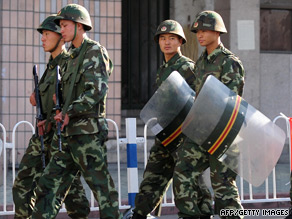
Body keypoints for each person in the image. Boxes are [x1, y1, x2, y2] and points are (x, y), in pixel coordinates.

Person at [30, 4, 122, 219]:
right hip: (68, 134)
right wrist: (53, 117)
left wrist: (70, 111)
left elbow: (96, 90)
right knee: (48, 185)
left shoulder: (94, 51)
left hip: (87, 134)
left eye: (64, 25)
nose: (61, 30)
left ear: (79, 26)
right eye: (60, 26)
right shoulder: (69, 58)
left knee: (102, 189)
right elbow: (62, 98)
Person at [128, 20, 213, 219]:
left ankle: (204, 212)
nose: (167, 42)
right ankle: (140, 213)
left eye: (172, 38)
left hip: (184, 135)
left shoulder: (187, 67)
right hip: (166, 133)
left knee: (190, 179)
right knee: (153, 175)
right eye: (163, 38)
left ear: (180, 42)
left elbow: (198, 98)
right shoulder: (163, 68)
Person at [12, 14, 90, 219]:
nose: (43, 39)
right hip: (42, 136)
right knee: (22, 186)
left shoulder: (68, 64)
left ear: (59, 36)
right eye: (43, 34)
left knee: (73, 197)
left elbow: (73, 99)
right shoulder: (50, 66)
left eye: (47, 34)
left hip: (60, 137)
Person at [174, 10, 245, 219]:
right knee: (183, 170)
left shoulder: (230, 62)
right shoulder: (201, 62)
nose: (200, 35)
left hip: (225, 134)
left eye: (205, 30)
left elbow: (231, 101)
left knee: (223, 188)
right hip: (201, 131)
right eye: (197, 31)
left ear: (218, 32)